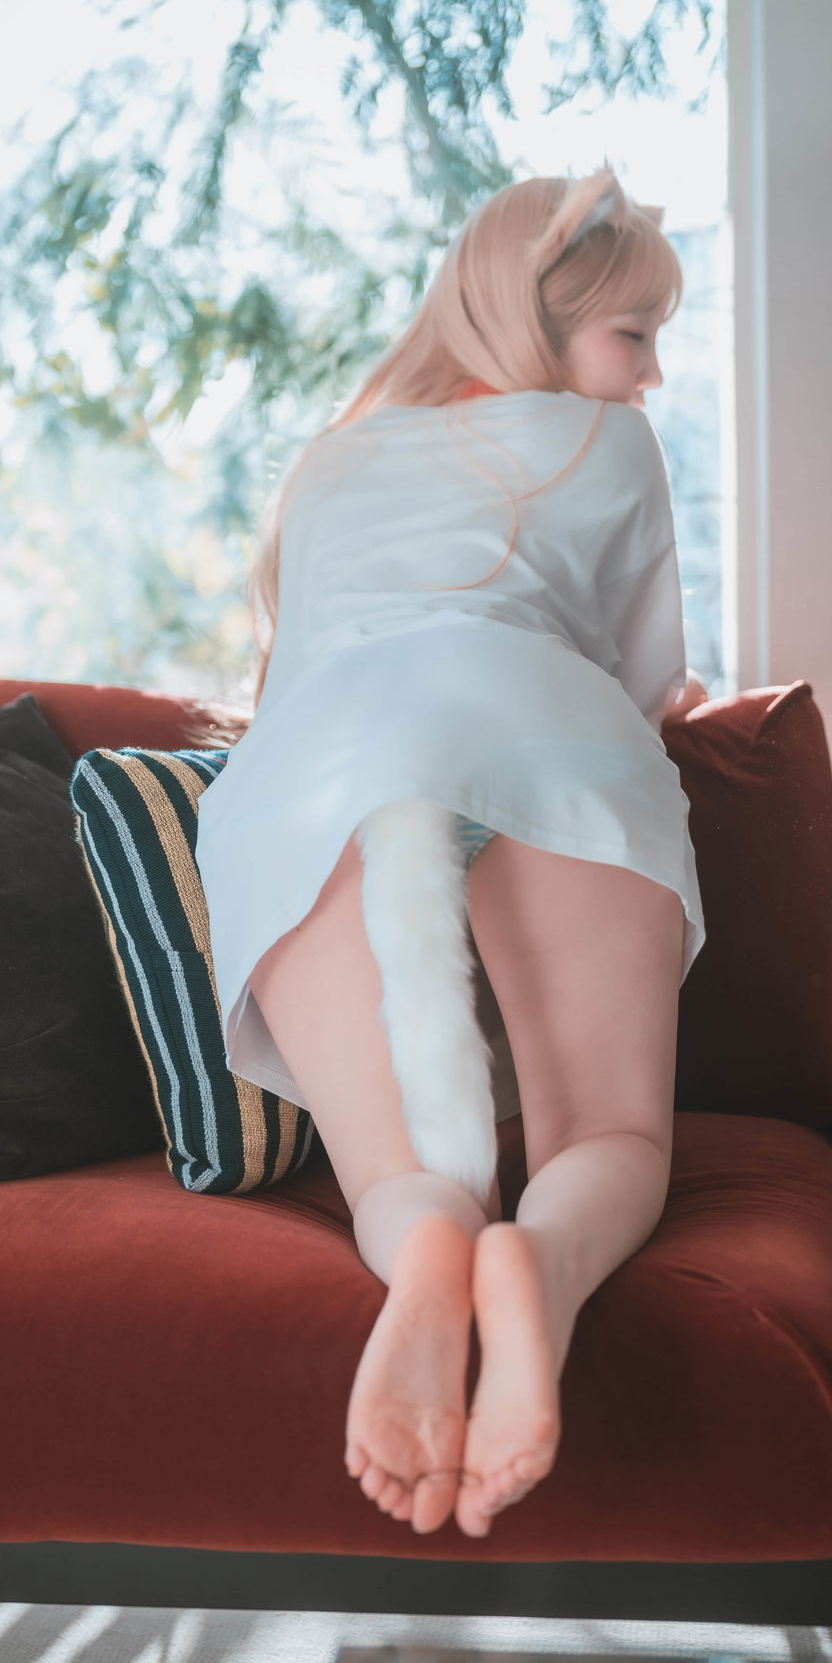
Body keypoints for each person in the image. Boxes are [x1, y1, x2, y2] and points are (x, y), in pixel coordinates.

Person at [193, 167, 708, 1543]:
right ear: (540, 321)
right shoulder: (607, 445)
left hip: (322, 774)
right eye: (636, 335)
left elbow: (285, 679)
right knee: (609, 1138)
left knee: (399, 1170)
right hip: (544, 728)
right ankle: (539, 1267)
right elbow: (649, 676)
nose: (651, 375)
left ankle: (431, 1249)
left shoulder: (334, 459)